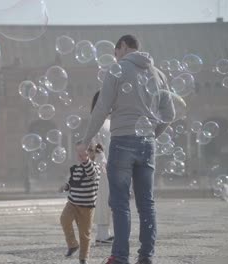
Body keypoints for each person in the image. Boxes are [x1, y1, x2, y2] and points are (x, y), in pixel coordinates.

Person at [77, 35, 175, 264]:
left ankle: (120, 257)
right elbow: (169, 114)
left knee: (120, 202)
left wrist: (85, 140)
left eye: (116, 51)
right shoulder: (159, 74)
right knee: (147, 203)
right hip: (147, 143)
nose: (115, 56)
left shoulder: (117, 69)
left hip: (122, 141)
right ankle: (146, 256)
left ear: (123, 47)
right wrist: (152, 134)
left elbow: (101, 108)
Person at [60, 142, 102, 264]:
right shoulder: (76, 168)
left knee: (84, 234)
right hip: (72, 203)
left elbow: (91, 173)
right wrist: (66, 186)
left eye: (84, 152)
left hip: (87, 207)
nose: (80, 155)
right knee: (64, 220)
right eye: (78, 152)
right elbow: (72, 183)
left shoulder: (95, 168)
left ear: (91, 154)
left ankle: (83, 258)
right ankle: (72, 244)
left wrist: (86, 160)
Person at [91, 91, 114, 245]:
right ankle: (101, 234)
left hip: (110, 164)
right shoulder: (96, 121)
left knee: (108, 200)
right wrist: (103, 160)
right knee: (102, 199)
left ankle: (105, 232)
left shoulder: (108, 121)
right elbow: (96, 145)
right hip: (102, 166)